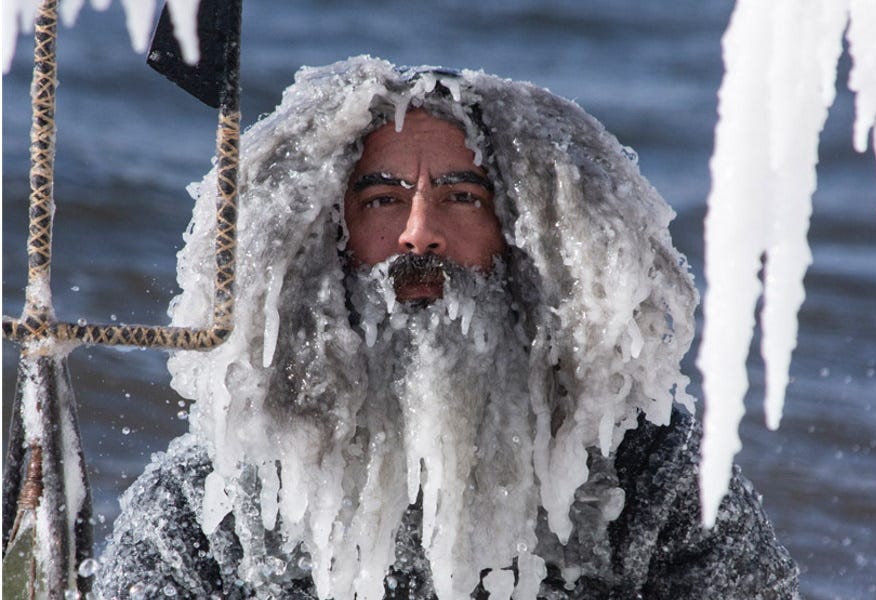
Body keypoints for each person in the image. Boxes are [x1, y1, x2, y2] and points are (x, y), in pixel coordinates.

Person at [95, 56, 799, 599]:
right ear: (323, 236)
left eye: (462, 197)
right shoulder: (216, 496)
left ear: (528, 234)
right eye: (382, 198)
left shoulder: (650, 471)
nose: (419, 234)